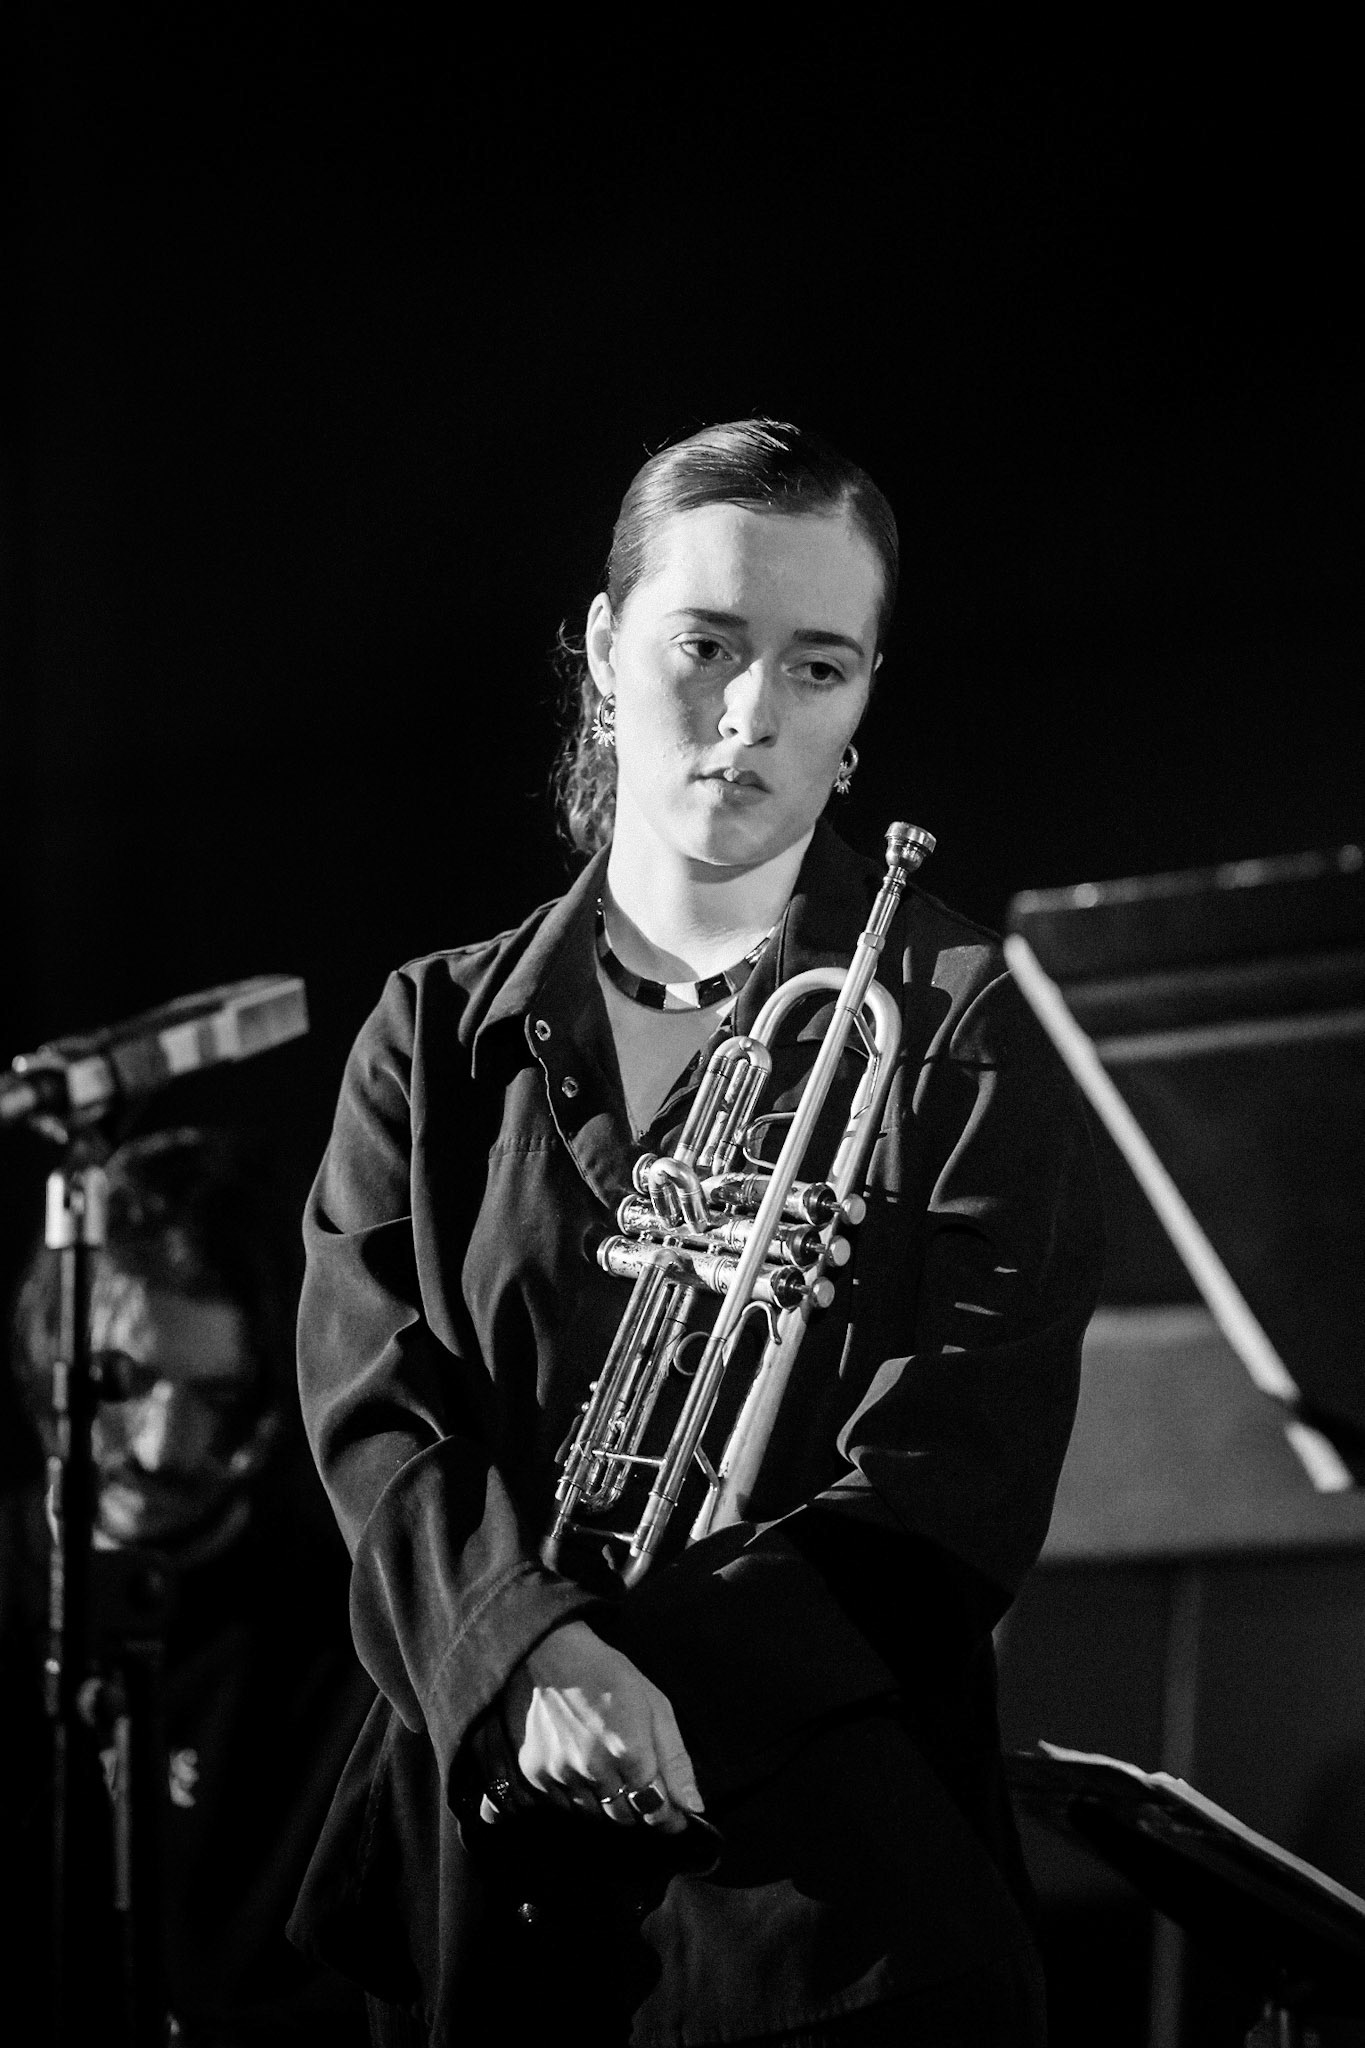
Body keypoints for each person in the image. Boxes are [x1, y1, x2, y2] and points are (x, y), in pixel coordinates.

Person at [291, 420, 1104, 2046]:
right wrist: (529, 1658)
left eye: (816, 667)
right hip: (484, 1877)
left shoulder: (972, 1024)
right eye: (706, 644)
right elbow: (378, 1419)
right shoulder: (431, 1029)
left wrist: (629, 1679)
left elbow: (958, 1480)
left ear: (865, 700)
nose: (750, 715)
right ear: (603, 645)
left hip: (828, 1907)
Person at [1, 1125, 373, 2045]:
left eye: (215, 1399)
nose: (163, 1449)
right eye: (119, 1381)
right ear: (51, 1346)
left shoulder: (346, 1634)